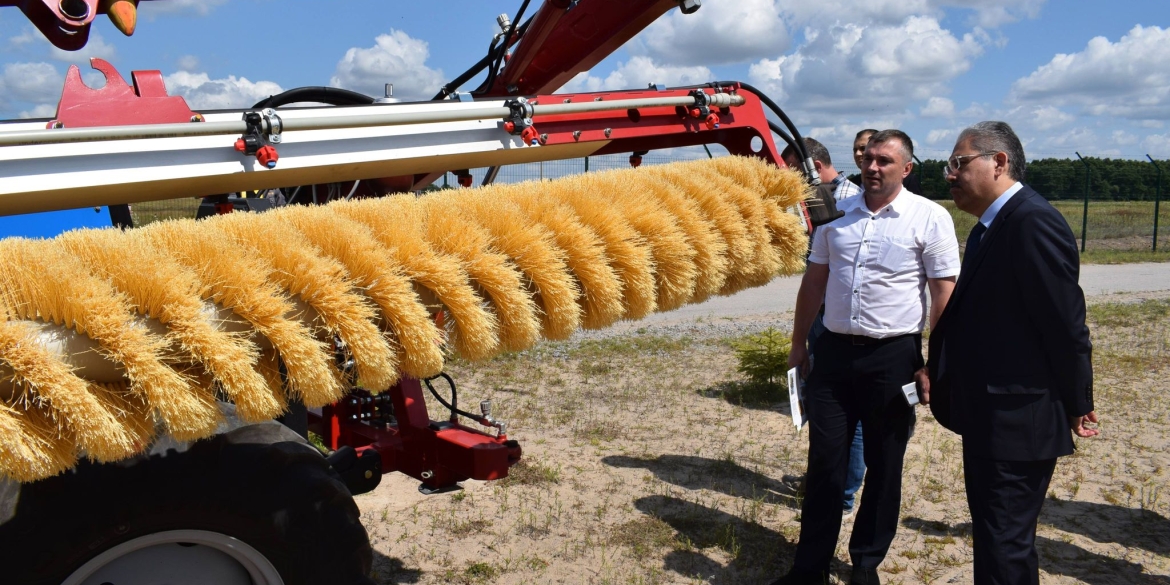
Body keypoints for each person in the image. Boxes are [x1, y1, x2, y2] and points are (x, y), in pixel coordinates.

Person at [773, 130, 960, 585]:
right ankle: (809, 568)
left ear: (907, 169)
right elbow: (813, 285)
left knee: (884, 465)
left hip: (894, 358)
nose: (873, 168)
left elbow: (943, 297)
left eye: (885, 161)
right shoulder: (834, 217)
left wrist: (936, 363)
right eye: (869, 159)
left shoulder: (929, 218)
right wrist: (799, 346)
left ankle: (866, 565)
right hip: (834, 355)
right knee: (825, 464)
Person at [924, 121, 1098, 585]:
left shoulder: (1031, 221)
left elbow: (1065, 324)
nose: (950, 174)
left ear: (998, 162)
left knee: (1005, 544)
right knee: (995, 537)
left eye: (959, 163)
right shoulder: (994, 225)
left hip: (1019, 417)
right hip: (992, 412)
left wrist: (1079, 400)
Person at [782, 137, 866, 517]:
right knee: (822, 402)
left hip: (844, 320)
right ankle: (823, 480)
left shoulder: (852, 199)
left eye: (790, 169)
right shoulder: (809, 197)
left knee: (853, 414)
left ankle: (843, 494)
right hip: (820, 315)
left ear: (813, 165)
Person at [854, 128, 920, 193]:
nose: (857, 154)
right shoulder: (851, 184)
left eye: (863, 148)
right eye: (855, 150)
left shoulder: (908, 181)